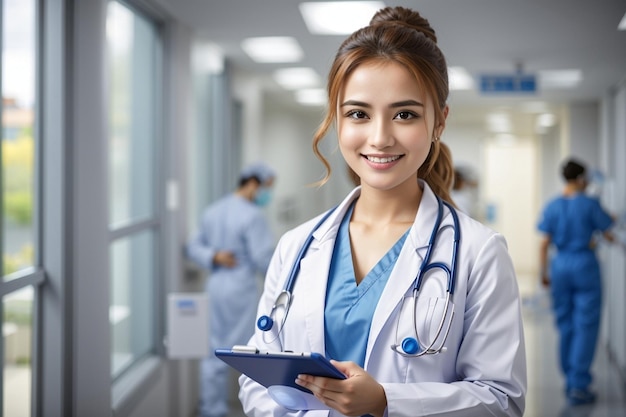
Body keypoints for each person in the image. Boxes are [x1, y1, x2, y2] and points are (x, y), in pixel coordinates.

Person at [238, 6, 526, 417]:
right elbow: (258, 374)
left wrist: (388, 401)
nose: (380, 137)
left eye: (405, 114)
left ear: (439, 122)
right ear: (337, 120)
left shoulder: (480, 253)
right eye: (358, 113)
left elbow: (502, 400)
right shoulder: (297, 246)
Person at [187, 162, 277, 417]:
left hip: (215, 285)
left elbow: (193, 247)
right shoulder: (252, 216)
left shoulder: (214, 210)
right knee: (254, 351)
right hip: (240, 289)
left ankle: (211, 410)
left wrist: (213, 256)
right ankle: (262, 409)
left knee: (214, 350)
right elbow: (264, 260)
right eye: (267, 188)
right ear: (252, 183)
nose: (268, 195)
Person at [537, 158, 615, 406]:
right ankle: (578, 385)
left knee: (565, 323)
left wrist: (544, 273)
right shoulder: (590, 204)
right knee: (586, 324)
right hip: (584, 265)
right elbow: (609, 230)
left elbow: (544, 242)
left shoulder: (552, 205)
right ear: (582, 179)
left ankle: (569, 378)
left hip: (560, 266)